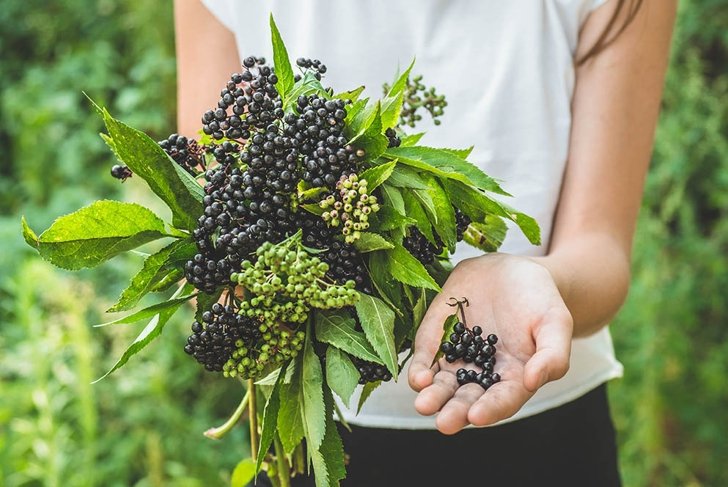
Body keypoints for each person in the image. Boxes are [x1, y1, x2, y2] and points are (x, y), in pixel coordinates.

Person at [175, 1, 676, 485]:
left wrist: (540, 282)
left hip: (543, 425)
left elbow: (601, 251)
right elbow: (213, 211)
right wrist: (249, 288)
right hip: (320, 435)